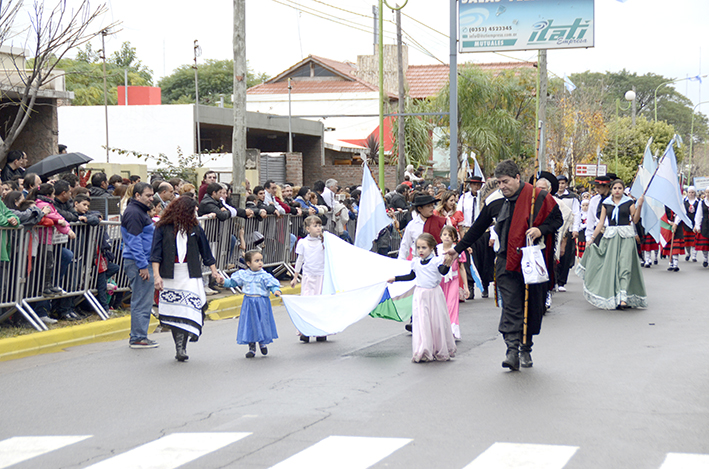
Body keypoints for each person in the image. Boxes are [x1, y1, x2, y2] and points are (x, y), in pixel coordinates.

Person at [444, 160, 562, 371]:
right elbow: (478, 228)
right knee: (511, 306)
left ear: (517, 178)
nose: (502, 186)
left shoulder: (539, 197)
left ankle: (526, 348)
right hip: (506, 261)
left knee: (532, 307)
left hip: (532, 262)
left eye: (505, 182)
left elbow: (557, 221)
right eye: (498, 182)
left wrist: (540, 229)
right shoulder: (495, 200)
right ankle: (511, 350)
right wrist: (458, 249)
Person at [151, 196, 221, 362]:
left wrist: (214, 272)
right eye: (193, 209)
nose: (196, 212)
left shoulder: (195, 227)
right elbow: (155, 254)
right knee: (177, 311)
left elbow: (206, 252)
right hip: (170, 274)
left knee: (195, 304)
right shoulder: (162, 227)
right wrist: (157, 276)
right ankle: (180, 348)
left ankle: (195, 326)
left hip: (190, 273)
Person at [577, 179, 647, 310]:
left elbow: (635, 219)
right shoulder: (606, 203)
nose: (617, 190)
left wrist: (640, 205)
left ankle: (624, 297)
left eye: (620, 188)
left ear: (623, 189)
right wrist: (592, 238)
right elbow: (601, 223)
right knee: (611, 265)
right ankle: (613, 294)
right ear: (611, 189)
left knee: (624, 265)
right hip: (610, 237)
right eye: (615, 188)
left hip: (626, 236)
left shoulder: (629, 202)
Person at [389, 233, 456, 363]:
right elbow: (411, 276)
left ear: (431, 248)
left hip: (434, 295)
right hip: (420, 295)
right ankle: (424, 348)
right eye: (418, 247)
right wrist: (395, 278)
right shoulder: (416, 262)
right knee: (422, 322)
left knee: (436, 322)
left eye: (424, 248)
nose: (420, 251)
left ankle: (439, 348)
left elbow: (442, 272)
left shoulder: (436, 261)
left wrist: (448, 264)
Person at [220, 250, 281, 358]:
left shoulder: (264, 275)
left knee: (262, 322)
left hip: (262, 302)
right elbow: (233, 283)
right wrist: (222, 281)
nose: (260, 263)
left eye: (261, 260)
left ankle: (262, 342)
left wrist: (276, 291)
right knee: (250, 324)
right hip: (249, 303)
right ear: (248, 263)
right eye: (256, 261)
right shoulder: (243, 275)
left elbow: (271, 285)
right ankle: (251, 348)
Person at [121, 182, 158, 349]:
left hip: (142, 261)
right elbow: (134, 240)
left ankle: (139, 335)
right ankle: (138, 337)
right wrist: (142, 265)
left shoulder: (138, 211)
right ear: (137, 196)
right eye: (148, 196)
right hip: (139, 263)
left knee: (143, 299)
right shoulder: (134, 212)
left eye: (152, 195)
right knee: (142, 300)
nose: (151, 199)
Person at [290, 215, 326, 343]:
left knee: (320, 304)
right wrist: (295, 277)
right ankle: (305, 330)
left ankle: (320, 331)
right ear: (307, 228)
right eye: (315, 226)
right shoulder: (303, 243)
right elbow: (300, 260)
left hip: (321, 276)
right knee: (307, 303)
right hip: (308, 276)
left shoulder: (324, 241)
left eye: (319, 225)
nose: (318, 228)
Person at [437, 226, 468, 340]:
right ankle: (441, 329)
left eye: (450, 236)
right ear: (440, 236)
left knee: (451, 304)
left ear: (455, 238)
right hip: (440, 281)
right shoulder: (436, 250)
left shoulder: (457, 250)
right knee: (440, 305)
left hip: (453, 281)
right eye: (445, 235)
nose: (447, 237)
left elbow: (461, 268)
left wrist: (465, 286)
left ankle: (452, 330)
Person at [457, 175, 485, 299]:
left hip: (483, 231)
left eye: (478, 185)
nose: (476, 187)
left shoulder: (484, 198)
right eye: (473, 184)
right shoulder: (463, 198)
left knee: (483, 259)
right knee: (469, 259)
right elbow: (459, 214)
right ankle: (471, 286)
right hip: (469, 230)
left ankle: (484, 284)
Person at [398, 194, 446, 261]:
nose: (432, 208)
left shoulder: (440, 222)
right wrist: (401, 260)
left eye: (432, 205)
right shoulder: (412, 225)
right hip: (418, 260)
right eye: (428, 206)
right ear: (419, 209)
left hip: (436, 260)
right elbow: (405, 244)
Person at [555, 175, 581, 292]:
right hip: (555, 229)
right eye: (559, 183)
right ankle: (554, 279)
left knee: (565, 256)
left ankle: (561, 281)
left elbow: (577, 213)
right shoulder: (552, 196)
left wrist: (575, 229)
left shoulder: (572, 198)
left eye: (563, 183)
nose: (561, 186)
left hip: (568, 230)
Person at [662, 207, 685, 272]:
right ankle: (671, 263)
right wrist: (669, 222)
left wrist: (675, 223)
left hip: (677, 226)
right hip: (667, 226)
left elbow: (681, 212)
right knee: (669, 245)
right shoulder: (665, 203)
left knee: (675, 245)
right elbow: (663, 214)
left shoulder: (678, 202)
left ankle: (675, 264)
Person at [693, 187, 709, 267]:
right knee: (705, 244)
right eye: (707, 192)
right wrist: (697, 226)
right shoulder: (701, 203)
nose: (708, 194)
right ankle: (705, 258)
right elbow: (699, 214)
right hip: (705, 225)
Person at [684, 187, 700, 262]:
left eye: (692, 192)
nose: (691, 194)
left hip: (694, 222)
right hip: (686, 223)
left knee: (694, 240)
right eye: (689, 192)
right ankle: (688, 253)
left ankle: (694, 256)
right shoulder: (684, 201)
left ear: (695, 193)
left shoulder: (698, 202)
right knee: (687, 241)